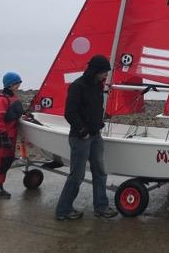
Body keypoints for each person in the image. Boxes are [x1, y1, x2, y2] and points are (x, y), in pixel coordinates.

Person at [55, 55, 118, 220]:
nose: (106, 75)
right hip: (80, 138)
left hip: (96, 135)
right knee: (77, 176)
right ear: (95, 71)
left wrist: (100, 121)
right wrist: (83, 131)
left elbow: (95, 108)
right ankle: (63, 210)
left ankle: (101, 207)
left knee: (100, 173)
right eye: (104, 72)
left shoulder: (98, 85)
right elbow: (70, 113)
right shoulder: (77, 86)